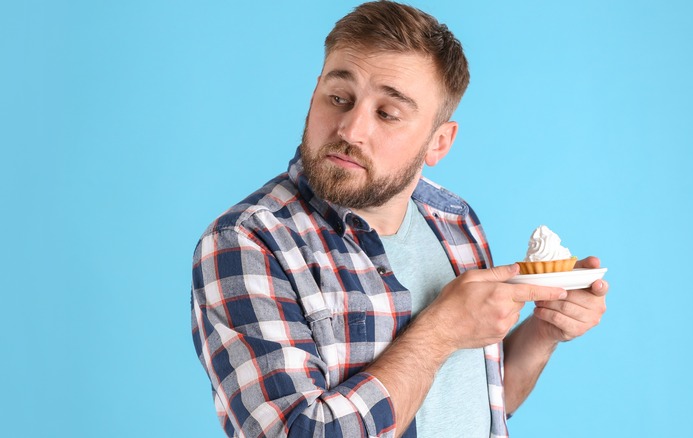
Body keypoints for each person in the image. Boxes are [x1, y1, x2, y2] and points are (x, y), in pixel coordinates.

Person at [190, 1, 609, 437]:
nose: (350, 130)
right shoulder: (250, 241)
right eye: (338, 98)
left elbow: (476, 405)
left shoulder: (454, 221)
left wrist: (543, 332)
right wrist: (438, 334)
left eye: (387, 114)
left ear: (439, 143)